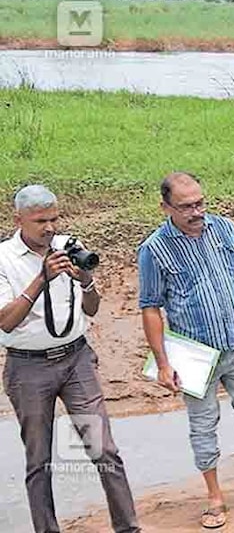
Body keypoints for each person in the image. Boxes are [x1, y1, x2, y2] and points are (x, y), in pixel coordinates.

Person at [138, 172, 234, 529]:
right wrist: (162, 363)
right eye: (186, 207)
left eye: (200, 203)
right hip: (191, 351)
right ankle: (214, 496)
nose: (196, 212)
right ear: (165, 207)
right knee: (203, 425)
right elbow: (150, 308)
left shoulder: (224, 229)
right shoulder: (154, 249)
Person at [0, 185, 142, 533]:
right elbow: (5, 320)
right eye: (40, 221)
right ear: (18, 220)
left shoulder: (68, 246)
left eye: (54, 219)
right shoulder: (3, 259)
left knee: (104, 449)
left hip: (76, 360)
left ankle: (128, 528)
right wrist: (41, 279)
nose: (49, 228)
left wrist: (87, 282)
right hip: (28, 367)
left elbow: (91, 309)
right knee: (39, 460)